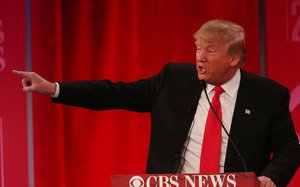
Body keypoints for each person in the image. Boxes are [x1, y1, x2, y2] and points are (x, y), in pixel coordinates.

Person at [13, 20, 300, 187]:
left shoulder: (268, 95)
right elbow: (115, 93)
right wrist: (55, 88)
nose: (199, 57)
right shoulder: (174, 79)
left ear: (234, 58)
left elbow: (289, 149)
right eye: (198, 48)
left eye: (210, 51)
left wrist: (269, 179)